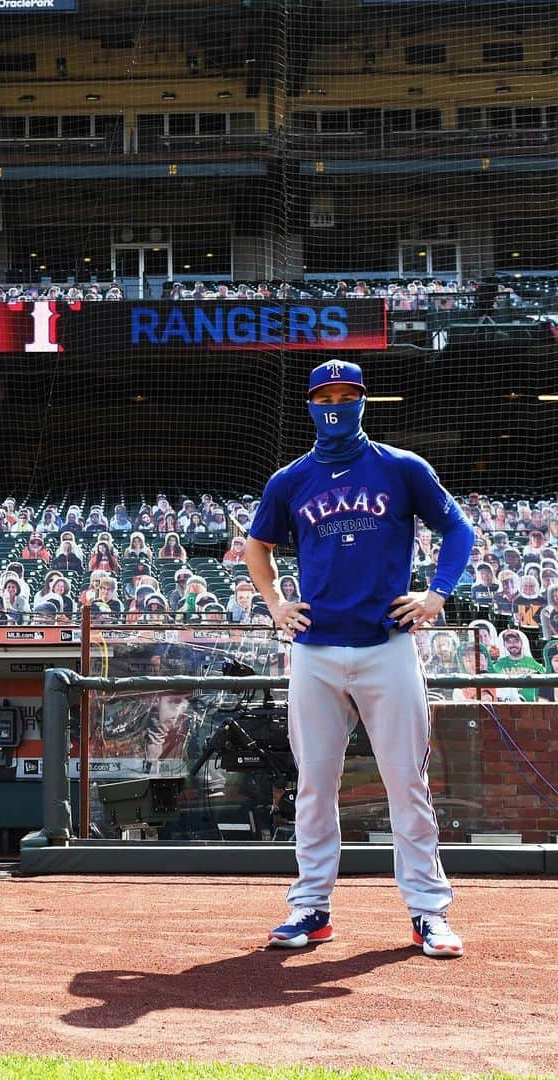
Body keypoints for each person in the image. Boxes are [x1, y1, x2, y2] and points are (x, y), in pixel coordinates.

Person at [245, 359, 473, 959]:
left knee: (407, 782)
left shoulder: (401, 467)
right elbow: (257, 544)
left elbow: (458, 530)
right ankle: (310, 909)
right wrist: (274, 602)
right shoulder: (290, 479)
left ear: (364, 401)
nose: (337, 405)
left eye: (349, 395)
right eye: (327, 395)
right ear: (311, 404)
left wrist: (435, 594)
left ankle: (429, 912)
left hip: (387, 645)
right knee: (315, 785)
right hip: (316, 651)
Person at [492, 628, 545, 701]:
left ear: (522, 642)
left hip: (534, 707)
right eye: (508, 641)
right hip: (508, 707)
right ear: (504, 644)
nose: (512, 644)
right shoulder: (497, 666)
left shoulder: (535, 664)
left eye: (516, 640)